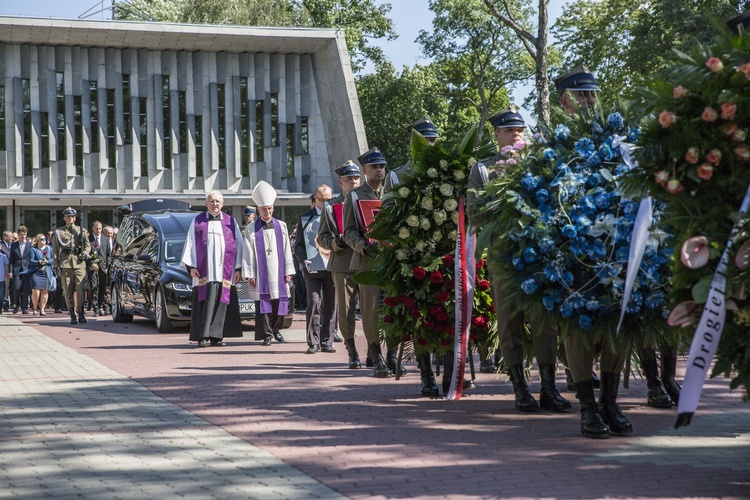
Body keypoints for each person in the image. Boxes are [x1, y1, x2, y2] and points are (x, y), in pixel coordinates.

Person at [469, 107, 571, 412]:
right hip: (504, 254)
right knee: (510, 322)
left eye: (521, 131)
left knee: (545, 321)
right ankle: (520, 387)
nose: (517, 135)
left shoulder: (539, 165)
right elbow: (475, 213)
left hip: (538, 253)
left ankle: (549, 388)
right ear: (497, 135)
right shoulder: (484, 170)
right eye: (510, 131)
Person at [555, 65, 632, 438]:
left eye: (592, 94)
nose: (588, 101)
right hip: (574, 249)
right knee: (578, 326)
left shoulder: (618, 139)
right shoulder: (553, 141)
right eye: (580, 95)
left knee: (621, 318)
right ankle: (587, 405)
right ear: (564, 101)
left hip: (618, 244)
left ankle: (610, 403)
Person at [343, 148, 399, 378]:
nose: (379, 170)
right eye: (374, 167)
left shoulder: (394, 194)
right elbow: (348, 232)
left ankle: (393, 356)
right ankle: (377, 358)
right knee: (371, 312)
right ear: (364, 170)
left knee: (395, 308)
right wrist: (363, 245)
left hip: (393, 261)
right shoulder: (354, 196)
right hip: (367, 261)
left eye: (382, 166)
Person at [180, 191, 244, 348]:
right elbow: (190, 243)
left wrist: (238, 268)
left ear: (222, 204)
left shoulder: (230, 222)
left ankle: (217, 336)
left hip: (225, 272)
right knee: (205, 303)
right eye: (212, 201)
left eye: (218, 201)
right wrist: (191, 266)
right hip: (204, 273)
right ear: (206, 203)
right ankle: (202, 336)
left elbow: (239, 245)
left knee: (221, 303)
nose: (215, 204)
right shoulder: (197, 221)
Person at [317, 160, 363, 368]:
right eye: (348, 179)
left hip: (367, 259)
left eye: (356, 178)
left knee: (372, 309)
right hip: (343, 262)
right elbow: (322, 238)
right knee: (346, 311)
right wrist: (335, 243)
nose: (353, 182)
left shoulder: (367, 201)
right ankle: (351, 349)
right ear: (340, 182)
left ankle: (374, 350)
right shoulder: (331, 206)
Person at [242, 181, 296, 346]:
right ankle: (266, 334)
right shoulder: (252, 228)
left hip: (279, 270)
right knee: (263, 303)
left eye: (270, 208)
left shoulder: (282, 226)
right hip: (261, 272)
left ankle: (277, 330)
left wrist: (288, 271)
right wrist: (249, 273)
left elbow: (287, 248)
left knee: (281, 301)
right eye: (264, 208)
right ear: (259, 210)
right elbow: (248, 250)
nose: (268, 211)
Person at [294, 184, 337, 354]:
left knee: (331, 304)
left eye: (329, 200)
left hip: (332, 266)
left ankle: (327, 340)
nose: (326, 203)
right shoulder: (305, 218)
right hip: (312, 267)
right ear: (315, 198)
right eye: (322, 200)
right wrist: (303, 260)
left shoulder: (336, 216)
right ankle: (313, 341)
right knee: (314, 301)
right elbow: (298, 245)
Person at [52, 208, 91, 324]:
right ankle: (72, 314)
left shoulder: (81, 230)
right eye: (68, 216)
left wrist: (85, 253)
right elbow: (55, 250)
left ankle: (81, 313)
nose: (70, 218)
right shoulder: (59, 232)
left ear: (75, 218)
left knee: (81, 289)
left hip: (79, 264)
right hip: (66, 264)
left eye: (72, 216)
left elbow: (87, 245)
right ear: (64, 218)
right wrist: (56, 264)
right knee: (68, 290)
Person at [384, 116, 440, 191]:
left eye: (433, 140)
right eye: (423, 140)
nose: (430, 144)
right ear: (413, 143)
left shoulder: (444, 173)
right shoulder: (397, 176)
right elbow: (389, 202)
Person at [87, 220, 110, 316]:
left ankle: (105, 306)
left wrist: (107, 267)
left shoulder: (105, 239)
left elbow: (108, 255)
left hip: (103, 267)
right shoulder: (89, 239)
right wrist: (92, 263)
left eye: (100, 228)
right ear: (93, 228)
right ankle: (96, 307)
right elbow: (86, 254)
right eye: (96, 229)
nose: (98, 230)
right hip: (93, 267)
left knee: (103, 287)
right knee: (93, 287)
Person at [28, 234, 54, 316]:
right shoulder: (33, 250)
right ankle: (35, 308)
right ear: (38, 240)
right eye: (42, 239)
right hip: (36, 273)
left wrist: (47, 261)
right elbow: (31, 260)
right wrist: (39, 262)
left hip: (46, 272)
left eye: (45, 239)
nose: (44, 241)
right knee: (36, 291)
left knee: (45, 291)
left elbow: (53, 259)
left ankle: (42, 310)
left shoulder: (49, 249)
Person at [10, 225, 32, 314]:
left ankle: (24, 307)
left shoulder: (29, 245)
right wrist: (11, 271)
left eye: (25, 234)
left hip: (26, 269)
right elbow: (11, 259)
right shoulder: (14, 245)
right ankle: (16, 305)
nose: (23, 236)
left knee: (25, 290)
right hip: (17, 269)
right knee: (16, 288)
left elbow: (30, 258)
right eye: (21, 234)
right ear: (18, 235)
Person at [1, 231, 12, 312]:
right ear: (5, 237)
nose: (12, 238)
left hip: (10, 271)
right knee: (3, 290)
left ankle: (6, 304)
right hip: (3, 272)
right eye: (10, 236)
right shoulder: (2, 245)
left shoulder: (12, 245)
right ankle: (4, 305)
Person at [0, 238, 8, 315]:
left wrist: (6, 276)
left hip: (1, 278)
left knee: (1, 295)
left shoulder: (3, 256)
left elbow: (6, 266)